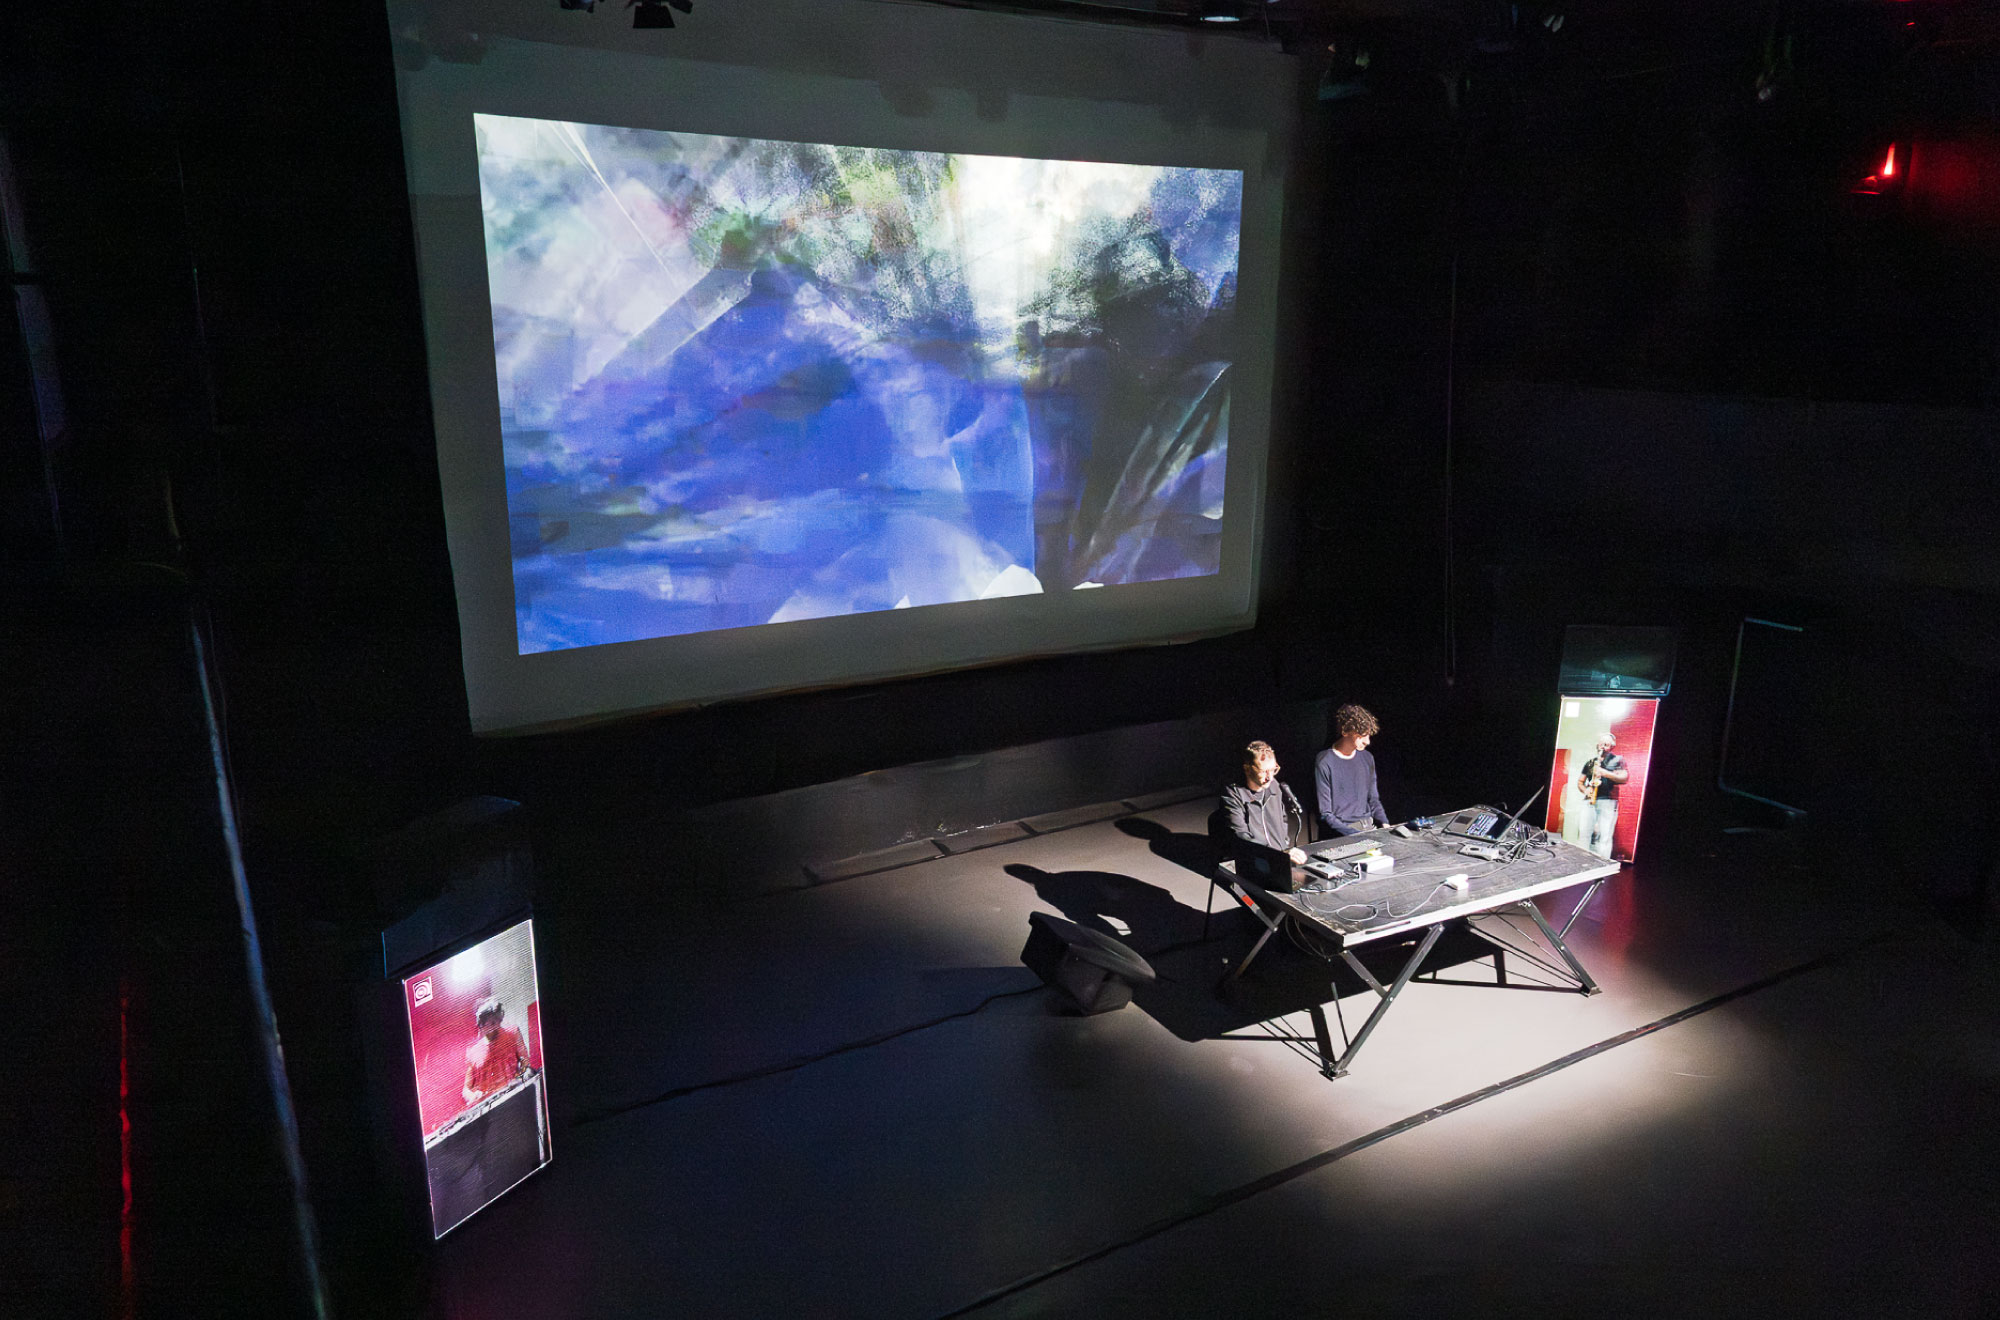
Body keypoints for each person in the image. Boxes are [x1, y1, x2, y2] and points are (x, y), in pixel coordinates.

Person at [1219, 740, 1308, 886]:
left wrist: (1285, 848)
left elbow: (1283, 821)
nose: (1269, 777)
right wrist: (1277, 855)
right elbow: (1241, 836)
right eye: (1263, 771)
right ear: (1247, 769)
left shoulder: (1274, 786)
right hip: (1253, 862)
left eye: (1273, 770)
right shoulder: (1233, 793)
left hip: (1278, 860)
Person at [1315, 704, 1387, 837]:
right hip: (1343, 832)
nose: (1367, 741)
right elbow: (1326, 813)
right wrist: (1355, 835)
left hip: (1368, 827)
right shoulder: (1325, 761)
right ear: (1345, 732)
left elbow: (1373, 799)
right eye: (1361, 735)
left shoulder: (1367, 758)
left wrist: (1385, 824)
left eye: (1368, 735)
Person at [462, 997, 530, 1107]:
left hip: (515, 1099)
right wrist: (473, 1096)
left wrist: (520, 1078)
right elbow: (466, 1089)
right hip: (489, 1107)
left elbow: (525, 1062)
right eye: (490, 1023)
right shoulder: (473, 1052)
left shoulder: (513, 1033)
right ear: (481, 1025)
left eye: (496, 1021)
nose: (495, 1027)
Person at [1577, 732, 1630, 859]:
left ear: (1612, 746)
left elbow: (1624, 778)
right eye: (1600, 743)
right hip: (1589, 801)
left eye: (1606, 744)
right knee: (1584, 833)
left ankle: (1602, 863)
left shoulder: (1618, 760)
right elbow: (1580, 782)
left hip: (1608, 801)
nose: (1602, 746)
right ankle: (1581, 861)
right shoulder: (1591, 762)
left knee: (1604, 835)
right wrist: (1585, 790)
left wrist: (1604, 773)